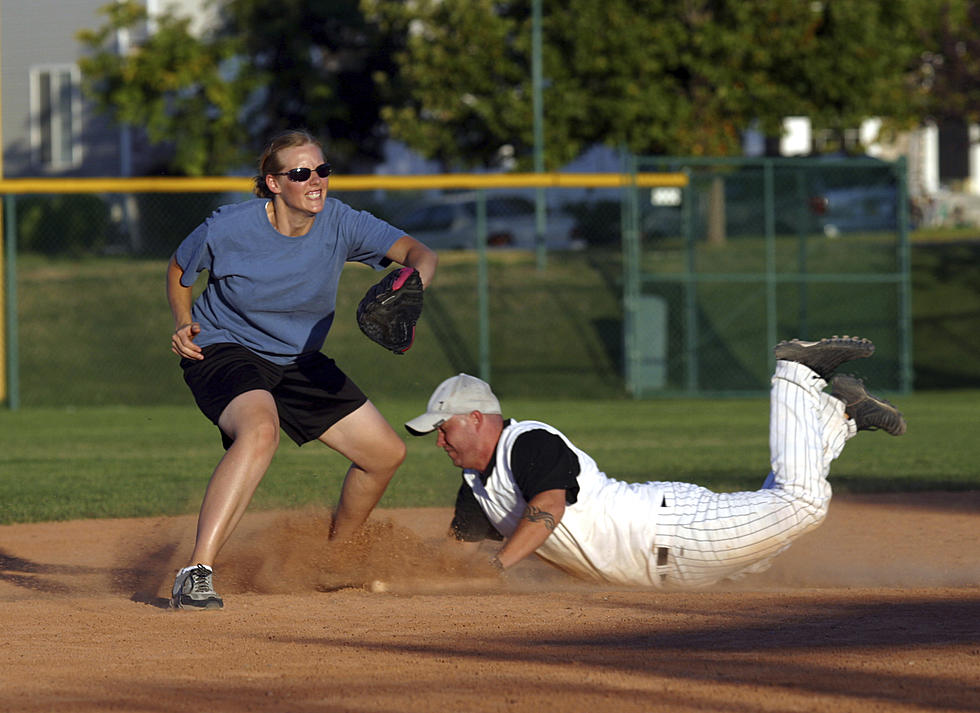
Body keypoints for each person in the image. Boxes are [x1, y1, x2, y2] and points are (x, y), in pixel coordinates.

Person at [167, 129, 438, 609]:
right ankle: (196, 572)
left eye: (322, 170)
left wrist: (410, 283)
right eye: (300, 173)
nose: (315, 181)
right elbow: (179, 269)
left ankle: (333, 562)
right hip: (226, 348)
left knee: (384, 454)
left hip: (298, 359)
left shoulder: (341, 222)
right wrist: (184, 322)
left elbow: (421, 253)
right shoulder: (229, 227)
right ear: (273, 183)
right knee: (260, 430)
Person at [404, 336, 906, 589]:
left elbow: (549, 507)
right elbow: (458, 551)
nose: (439, 441)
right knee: (775, 530)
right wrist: (410, 570)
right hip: (676, 571)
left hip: (673, 531)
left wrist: (496, 566)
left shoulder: (528, 443)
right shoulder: (476, 483)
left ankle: (795, 372)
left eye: (442, 428)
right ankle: (840, 415)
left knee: (800, 504)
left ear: (475, 419)